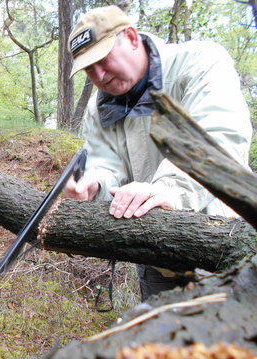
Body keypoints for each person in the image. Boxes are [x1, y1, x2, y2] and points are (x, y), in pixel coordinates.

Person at [64, 5, 253, 300]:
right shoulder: (97, 107)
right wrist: (96, 184)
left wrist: (168, 190)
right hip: (157, 255)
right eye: (89, 68)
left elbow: (219, 137)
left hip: (223, 243)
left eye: (103, 58)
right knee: (165, 343)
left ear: (130, 37)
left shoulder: (200, 62)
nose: (99, 74)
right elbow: (107, 163)